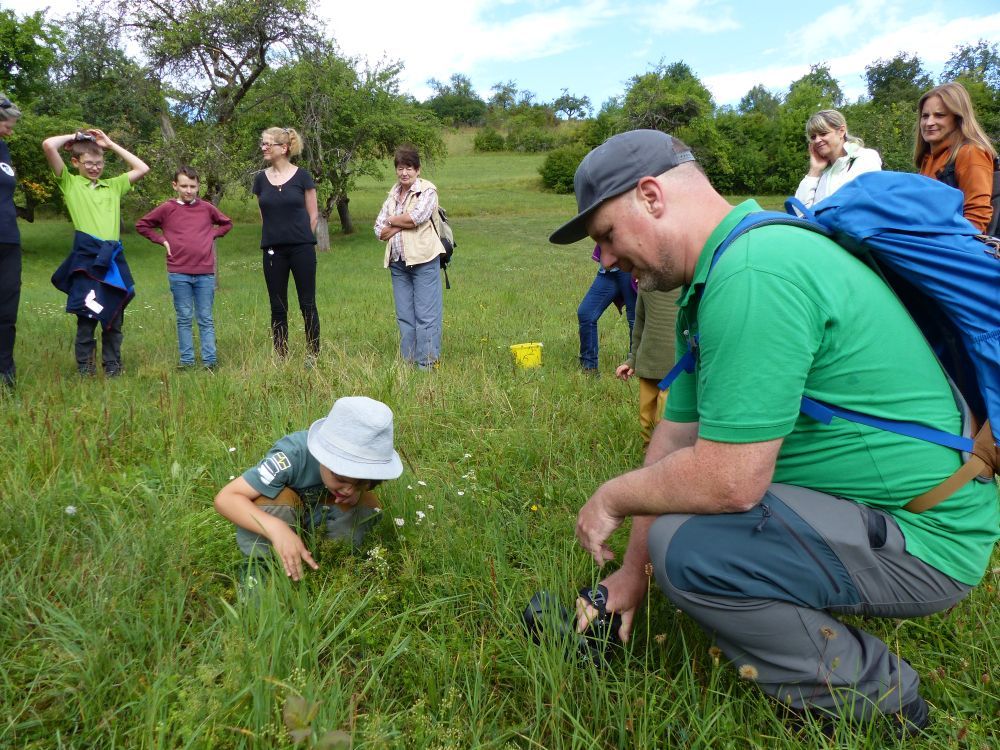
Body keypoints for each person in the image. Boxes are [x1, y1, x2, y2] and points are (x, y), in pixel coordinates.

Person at [549, 130, 998, 736]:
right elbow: (675, 440)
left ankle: (878, 697)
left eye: (605, 236)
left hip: (931, 536)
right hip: (894, 509)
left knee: (688, 546)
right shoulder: (727, 267)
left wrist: (612, 498)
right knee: (674, 524)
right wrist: (630, 573)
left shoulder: (755, 274)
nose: (603, 259)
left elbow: (731, 482)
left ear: (652, 197)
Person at [214, 396, 404, 582]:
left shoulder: (351, 484)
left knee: (369, 507)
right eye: (341, 479)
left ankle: (332, 563)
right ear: (323, 456)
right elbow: (226, 498)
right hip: (283, 516)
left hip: (315, 515)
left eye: (361, 483)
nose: (348, 490)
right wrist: (276, 528)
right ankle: (262, 573)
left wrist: (358, 493)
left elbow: (355, 487)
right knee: (269, 503)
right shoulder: (291, 456)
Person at [43, 129, 150, 376]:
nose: (94, 168)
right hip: (86, 258)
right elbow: (49, 145)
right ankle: (85, 368)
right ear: (75, 162)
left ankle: (113, 365)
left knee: (114, 315)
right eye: (89, 163)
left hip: (112, 258)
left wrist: (111, 145)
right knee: (87, 314)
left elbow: (142, 168)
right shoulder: (70, 183)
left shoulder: (112, 186)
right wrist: (74, 136)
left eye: (99, 163)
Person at [136, 166, 233, 370]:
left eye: (193, 186)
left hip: (205, 273)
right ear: (175, 185)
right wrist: (161, 240)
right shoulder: (166, 208)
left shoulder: (206, 208)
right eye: (184, 186)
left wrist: (212, 235)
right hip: (178, 272)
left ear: (198, 186)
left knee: (205, 317)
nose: (188, 190)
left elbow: (226, 223)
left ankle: (210, 361)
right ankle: (187, 361)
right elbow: (142, 225)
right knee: (184, 317)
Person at [253, 127, 320, 361]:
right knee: (278, 306)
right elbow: (264, 214)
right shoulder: (260, 179)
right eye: (262, 143)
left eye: (268, 144)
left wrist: (301, 237)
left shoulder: (303, 176)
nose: (263, 147)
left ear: (284, 148)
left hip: (302, 248)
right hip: (273, 251)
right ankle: (281, 357)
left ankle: (313, 355)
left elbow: (313, 215)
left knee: (307, 303)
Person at [374, 145, 443, 371]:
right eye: (401, 168)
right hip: (398, 263)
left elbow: (417, 217)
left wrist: (392, 223)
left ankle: (427, 364)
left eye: (409, 168)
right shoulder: (393, 194)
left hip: (424, 260)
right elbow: (377, 230)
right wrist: (398, 223)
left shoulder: (427, 191)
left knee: (426, 315)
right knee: (405, 315)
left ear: (418, 170)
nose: (405, 173)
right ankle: (408, 361)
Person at [915, 82, 997, 233]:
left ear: (958, 118)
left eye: (939, 115)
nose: (929, 122)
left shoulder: (971, 153)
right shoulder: (929, 158)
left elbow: (977, 219)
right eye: (925, 116)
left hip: (957, 247)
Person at [614, 288, 678, 447]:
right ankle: (649, 455)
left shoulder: (689, 282)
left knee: (664, 418)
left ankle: (666, 455)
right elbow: (639, 325)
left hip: (678, 368)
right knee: (646, 419)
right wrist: (632, 360)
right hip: (648, 365)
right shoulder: (646, 283)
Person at [794, 109, 881, 208]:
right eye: (813, 137)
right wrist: (814, 170)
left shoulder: (864, 157)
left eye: (823, 133)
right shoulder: (822, 173)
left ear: (841, 131)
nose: (817, 140)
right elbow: (799, 213)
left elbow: (862, 202)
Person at [577, 245, 636, 374]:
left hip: (631, 266)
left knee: (635, 320)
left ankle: (635, 367)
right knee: (586, 313)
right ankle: (589, 368)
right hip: (609, 270)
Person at [0, 95, 21, 390]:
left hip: (8, 239)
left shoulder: (4, 150)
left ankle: (6, 373)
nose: (10, 131)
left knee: (6, 309)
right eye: (7, 125)